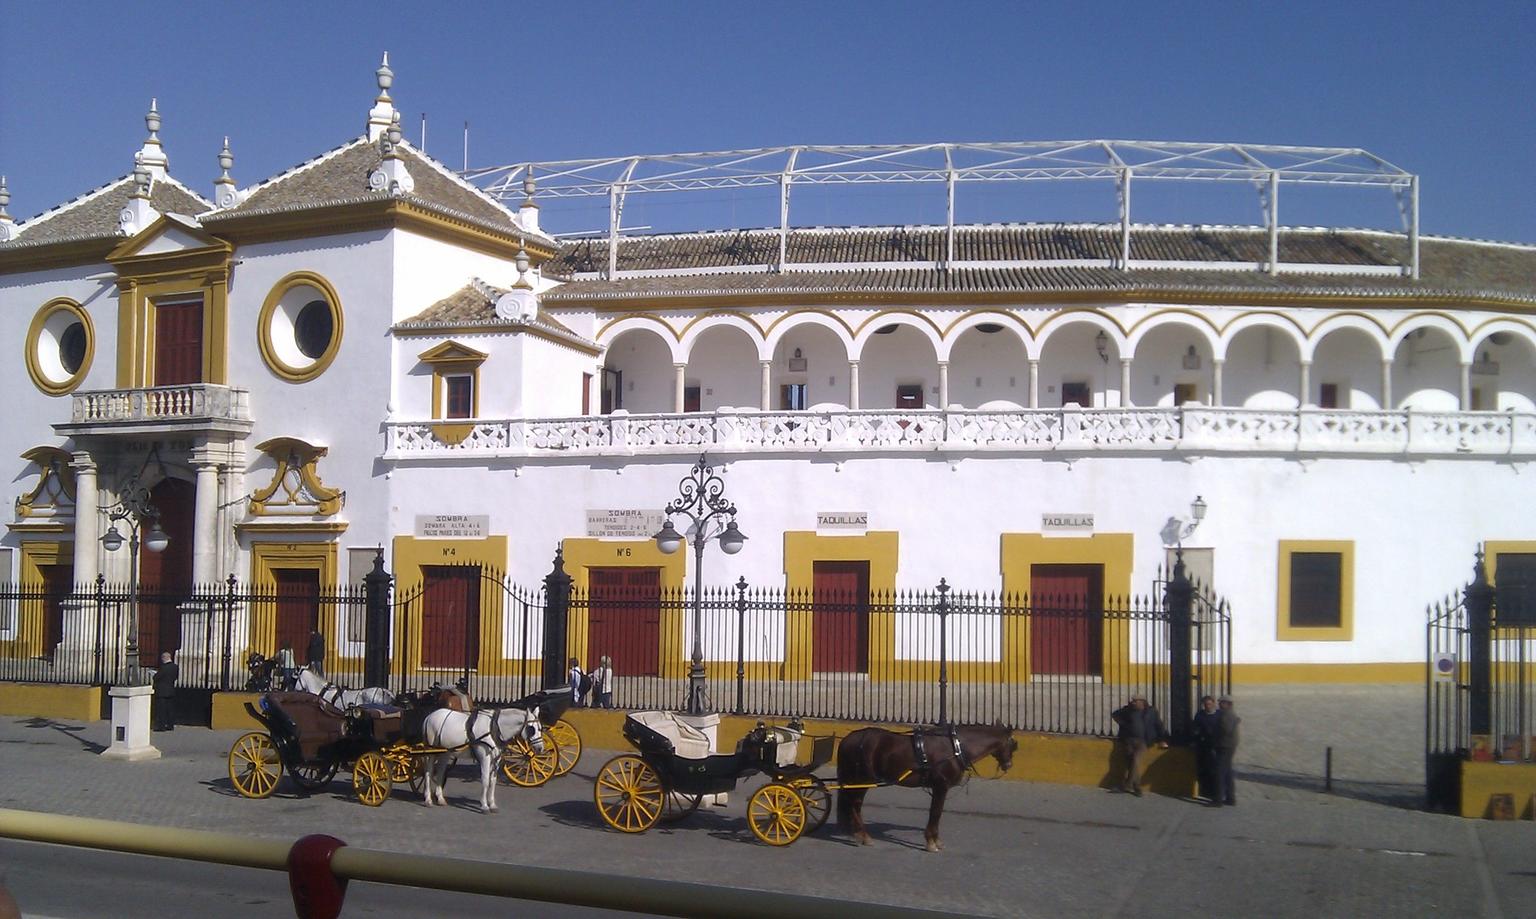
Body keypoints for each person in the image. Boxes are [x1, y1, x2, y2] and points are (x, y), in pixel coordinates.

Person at [1111, 693, 1168, 797]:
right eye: (1132, 701)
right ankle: (1137, 788)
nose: (1133, 703)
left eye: (1135, 701)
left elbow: (1159, 725)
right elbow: (1115, 714)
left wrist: (1162, 739)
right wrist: (1123, 724)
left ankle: (1127, 785)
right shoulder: (1128, 710)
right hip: (1129, 740)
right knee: (1131, 763)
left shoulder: (1151, 711)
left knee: (1135, 760)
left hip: (1143, 741)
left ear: (1142, 702)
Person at [1191, 695, 1221, 802]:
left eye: (1209, 704)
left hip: (1215, 746)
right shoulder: (1200, 715)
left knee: (1215, 771)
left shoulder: (1219, 714)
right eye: (1205, 704)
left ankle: (1215, 793)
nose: (1207, 706)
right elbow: (1195, 728)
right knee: (1203, 769)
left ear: (1213, 703)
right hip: (1203, 745)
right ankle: (1205, 791)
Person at [1213, 695, 1241, 806]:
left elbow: (1225, 730)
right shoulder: (1230, 714)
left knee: (1220, 772)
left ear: (1228, 704)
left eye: (1222, 702)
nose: (1219, 704)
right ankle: (1230, 798)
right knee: (1228, 772)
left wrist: (1214, 731)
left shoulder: (1226, 714)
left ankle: (1218, 799)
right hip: (1229, 745)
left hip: (1225, 745)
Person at [151, 650, 178, 732]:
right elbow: (175, 677)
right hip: (171, 690)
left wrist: (155, 674)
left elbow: (156, 678)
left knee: (161, 710)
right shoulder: (175, 667)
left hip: (162, 692)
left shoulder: (164, 668)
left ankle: (161, 726)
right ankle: (170, 725)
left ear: (164, 658)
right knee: (170, 709)